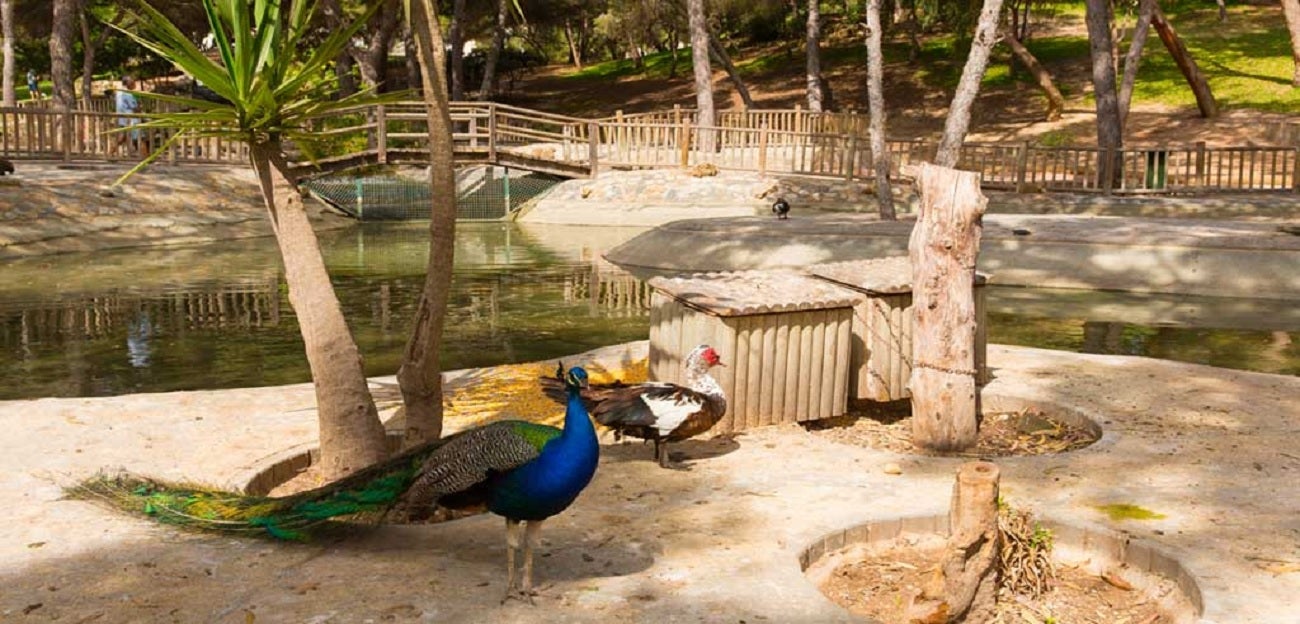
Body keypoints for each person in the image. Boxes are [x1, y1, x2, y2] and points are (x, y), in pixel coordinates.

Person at [114, 75, 142, 156]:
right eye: (132, 82)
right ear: (127, 83)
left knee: (122, 137)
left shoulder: (119, 92)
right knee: (140, 137)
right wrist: (139, 107)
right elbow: (134, 108)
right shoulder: (128, 94)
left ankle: (110, 153)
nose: (134, 84)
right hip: (131, 119)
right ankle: (145, 156)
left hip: (122, 118)